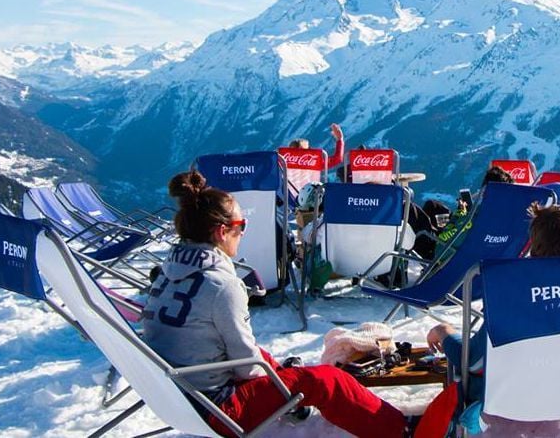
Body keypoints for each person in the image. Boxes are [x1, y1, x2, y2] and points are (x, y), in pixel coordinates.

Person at [142, 170, 408, 438]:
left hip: (177, 397)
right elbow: (247, 366)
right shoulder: (221, 286)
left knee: (266, 357)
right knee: (327, 380)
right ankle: (400, 429)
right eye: (241, 225)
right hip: (219, 410)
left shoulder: (167, 273)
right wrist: (285, 379)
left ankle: (295, 395)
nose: (243, 232)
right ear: (222, 232)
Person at [413, 204, 560, 436]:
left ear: (534, 254)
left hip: (513, 402)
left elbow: (473, 361)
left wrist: (444, 332)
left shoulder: (510, 294)